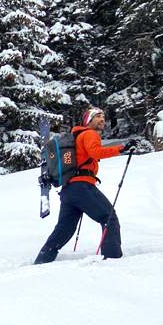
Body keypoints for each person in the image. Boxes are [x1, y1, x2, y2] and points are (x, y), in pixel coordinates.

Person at [34, 107, 138, 264]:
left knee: (64, 228)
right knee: (109, 217)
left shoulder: (76, 137)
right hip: (82, 186)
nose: (102, 119)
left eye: (103, 116)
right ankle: (113, 259)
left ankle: (43, 259)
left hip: (69, 190)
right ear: (88, 121)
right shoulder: (89, 134)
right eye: (97, 116)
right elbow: (96, 152)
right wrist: (121, 148)